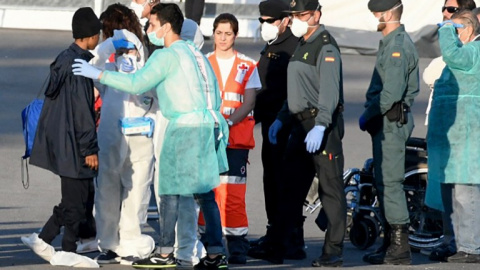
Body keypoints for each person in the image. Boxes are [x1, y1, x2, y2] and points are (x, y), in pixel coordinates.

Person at [72, 3, 230, 270]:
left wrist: (99, 73)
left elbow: (137, 84)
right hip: (208, 127)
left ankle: (166, 253)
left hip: (182, 129)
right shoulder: (197, 55)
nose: (151, 30)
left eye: (154, 25)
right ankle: (215, 253)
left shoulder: (164, 56)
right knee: (204, 194)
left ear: (166, 27)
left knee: (167, 192)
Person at [265, 0, 346, 267]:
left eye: (302, 14)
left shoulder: (325, 46)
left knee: (329, 188)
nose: (297, 19)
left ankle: (333, 251)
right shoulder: (303, 44)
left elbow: (329, 91)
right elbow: (296, 90)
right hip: (300, 126)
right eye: (294, 15)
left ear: (317, 15)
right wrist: (280, 118)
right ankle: (278, 245)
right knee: (289, 189)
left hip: (320, 126)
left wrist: (322, 125)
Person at [20, 7, 100, 267]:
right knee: (74, 203)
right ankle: (48, 240)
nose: (98, 37)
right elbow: (83, 113)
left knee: (83, 195)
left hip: (61, 142)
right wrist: (89, 148)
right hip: (75, 145)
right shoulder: (79, 68)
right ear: (88, 36)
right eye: (96, 33)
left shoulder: (64, 58)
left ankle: (75, 243)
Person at [88, 3, 156, 266]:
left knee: (107, 184)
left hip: (112, 122)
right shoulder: (142, 47)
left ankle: (108, 242)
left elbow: (95, 78)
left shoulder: (105, 49)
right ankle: (131, 239)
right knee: (137, 185)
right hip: (140, 122)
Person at [359, 0, 419, 265]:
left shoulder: (397, 47)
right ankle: (389, 242)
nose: (374, 17)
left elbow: (391, 93)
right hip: (385, 124)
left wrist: (368, 113)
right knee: (383, 182)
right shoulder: (389, 42)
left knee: (391, 184)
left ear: (390, 12)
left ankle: (399, 246)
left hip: (391, 123)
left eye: (377, 13)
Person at [198, 13, 261, 265]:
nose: (223, 38)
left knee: (233, 193)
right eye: (219, 33)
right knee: (208, 191)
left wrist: (229, 121)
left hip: (235, 139)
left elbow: (249, 101)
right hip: (207, 137)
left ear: (235, 35)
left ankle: (237, 245)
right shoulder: (202, 62)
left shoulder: (247, 64)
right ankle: (208, 241)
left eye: (228, 33)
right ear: (213, 33)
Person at [150, 18, 207, 268]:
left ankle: (184, 247)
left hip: (182, 127)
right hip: (169, 125)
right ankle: (175, 245)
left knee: (183, 193)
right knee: (165, 188)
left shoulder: (189, 62)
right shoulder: (172, 58)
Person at [423, 0, 476, 262]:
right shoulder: (459, 53)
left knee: (466, 196)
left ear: (466, 28)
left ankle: (471, 247)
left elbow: (454, 58)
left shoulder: (473, 51)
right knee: (450, 197)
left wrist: (445, 28)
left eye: (455, 27)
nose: (452, 34)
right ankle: (454, 242)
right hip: (447, 138)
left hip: (467, 138)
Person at [248, 0, 302, 260]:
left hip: (287, 125)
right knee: (271, 181)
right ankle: (275, 233)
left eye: (270, 21)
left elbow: (290, 91)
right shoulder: (273, 44)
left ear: (285, 20)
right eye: (262, 21)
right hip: (270, 123)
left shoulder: (293, 46)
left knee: (284, 183)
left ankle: (289, 239)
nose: (265, 25)